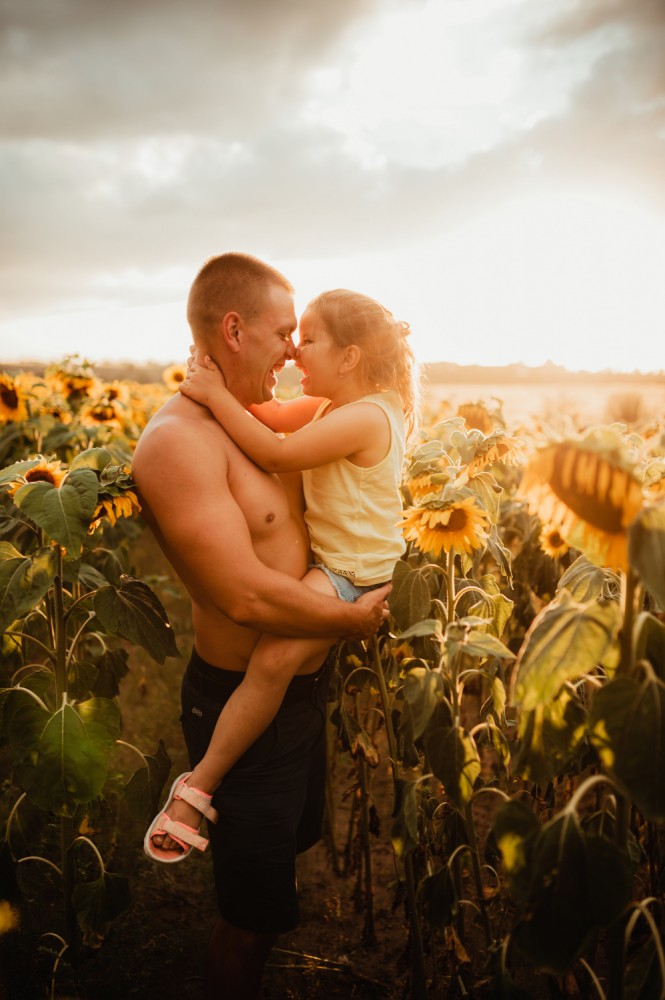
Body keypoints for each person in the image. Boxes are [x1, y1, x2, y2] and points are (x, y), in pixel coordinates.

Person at [131, 254, 392, 1000]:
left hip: (298, 695)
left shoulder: (263, 424)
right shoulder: (178, 442)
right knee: (248, 921)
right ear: (233, 329)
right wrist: (347, 619)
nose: (290, 350)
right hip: (239, 702)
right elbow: (244, 597)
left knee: (277, 881)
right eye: (283, 333)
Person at [146, 287, 419, 874]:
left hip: (352, 577)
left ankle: (197, 789)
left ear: (349, 358)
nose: (296, 352)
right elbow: (260, 416)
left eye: (311, 339)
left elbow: (271, 451)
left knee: (270, 663)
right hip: (341, 569)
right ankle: (208, 786)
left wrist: (214, 392)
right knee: (278, 668)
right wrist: (212, 391)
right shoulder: (336, 410)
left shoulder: (367, 417)